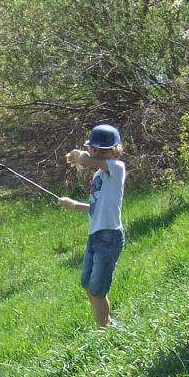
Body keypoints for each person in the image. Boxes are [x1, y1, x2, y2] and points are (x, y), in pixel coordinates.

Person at [56, 124, 127, 328]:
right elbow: (98, 206)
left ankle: (104, 328)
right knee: (87, 283)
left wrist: (80, 155)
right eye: (94, 149)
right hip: (95, 237)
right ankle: (106, 322)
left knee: (97, 289)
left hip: (110, 237)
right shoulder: (98, 175)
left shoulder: (117, 168)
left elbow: (86, 160)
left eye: (103, 151)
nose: (97, 154)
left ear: (115, 151)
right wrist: (75, 204)